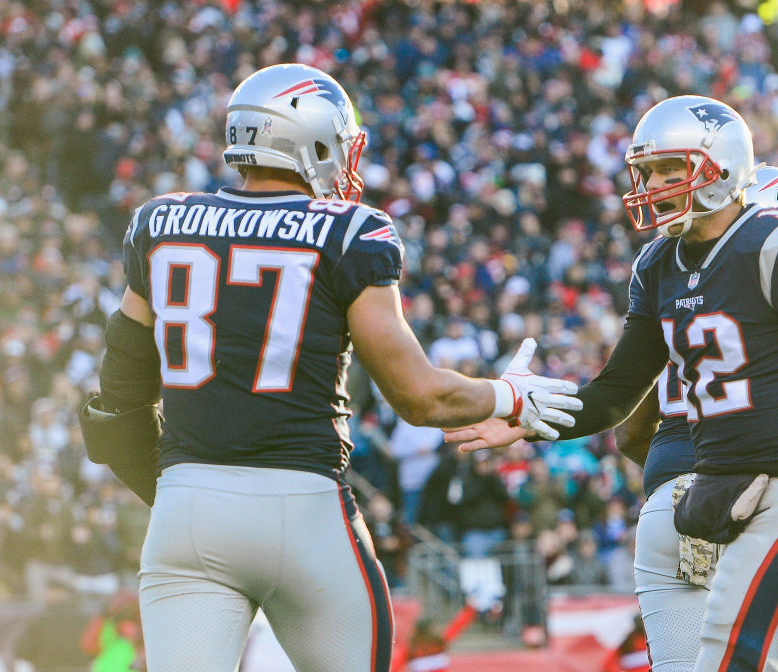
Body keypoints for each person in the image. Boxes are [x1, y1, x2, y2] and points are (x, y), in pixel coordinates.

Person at [76, 63, 581, 672]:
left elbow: (115, 402)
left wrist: (185, 497)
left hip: (187, 512)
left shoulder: (159, 223)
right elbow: (420, 398)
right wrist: (509, 397)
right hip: (305, 505)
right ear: (309, 140)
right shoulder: (349, 232)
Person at [445, 95, 778, 671]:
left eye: (670, 169)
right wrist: (522, 411)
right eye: (648, 172)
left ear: (723, 165)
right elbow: (614, 396)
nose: (655, 185)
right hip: (717, 488)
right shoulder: (660, 263)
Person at [611, 165, 778, 671]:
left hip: (676, 501)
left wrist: (672, 482)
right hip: (776, 494)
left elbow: (627, 429)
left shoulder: (676, 281)